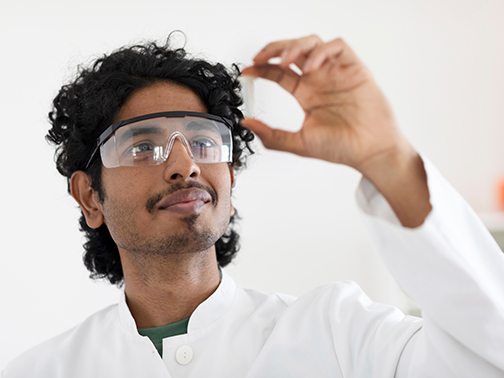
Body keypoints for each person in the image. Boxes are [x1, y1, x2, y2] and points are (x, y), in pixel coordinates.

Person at [3, 34, 504, 377]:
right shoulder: (40, 370)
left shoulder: (339, 333)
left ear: (230, 176)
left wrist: (387, 158)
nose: (184, 166)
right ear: (91, 197)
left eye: (203, 142)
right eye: (142, 147)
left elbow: (488, 354)